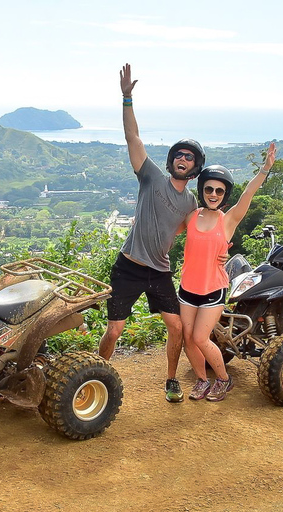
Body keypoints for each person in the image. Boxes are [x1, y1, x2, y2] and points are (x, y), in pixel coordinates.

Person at [98, 63, 204, 403]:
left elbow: (203, 233)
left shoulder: (191, 204)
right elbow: (133, 137)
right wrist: (127, 99)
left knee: (176, 328)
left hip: (159, 272)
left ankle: (171, 379)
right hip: (129, 267)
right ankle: (96, 377)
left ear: (195, 167)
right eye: (179, 154)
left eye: (189, 157)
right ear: (172, 159)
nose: (182, 159)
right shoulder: (152, 177)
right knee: (114, 330)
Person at [179, 142, 277, 401]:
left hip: (212, 288)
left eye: (219, 191)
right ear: (202, 190)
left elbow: (248, 194)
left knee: (201, 337)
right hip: (187, 287)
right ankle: (202, 380)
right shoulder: (191, 216)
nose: (213, 194)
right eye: (209, 189)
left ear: (224, 195)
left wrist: (265, 169)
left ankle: (223, 378)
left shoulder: (228, 220)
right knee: (187, 338)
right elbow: (167, 225)